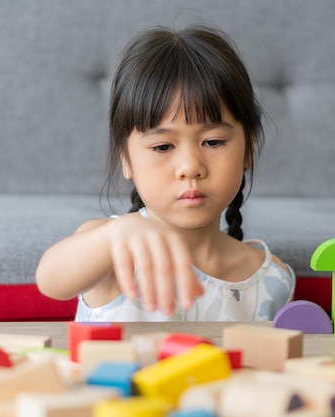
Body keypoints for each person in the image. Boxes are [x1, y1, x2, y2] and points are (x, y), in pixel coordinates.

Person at [35, 25, 295, 321]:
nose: (190, 167)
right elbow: (50, 280)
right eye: (162, 147)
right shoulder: (111, 249)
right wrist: (117, 234)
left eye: (213, 142)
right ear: (127, 160)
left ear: (248, 149)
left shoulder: (272, 280)